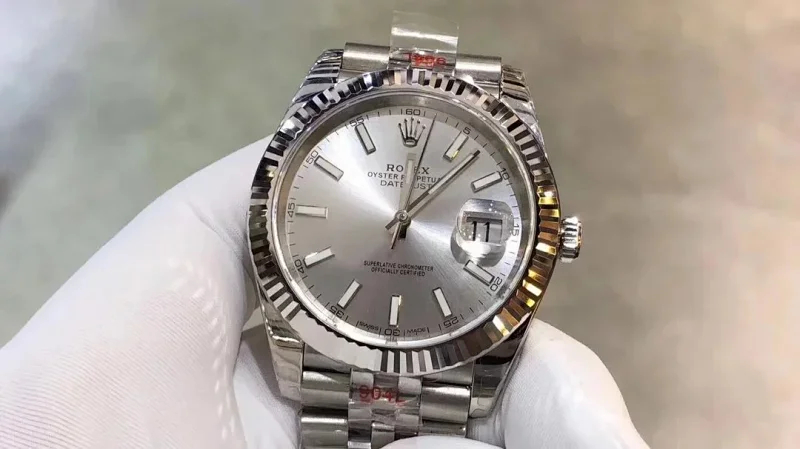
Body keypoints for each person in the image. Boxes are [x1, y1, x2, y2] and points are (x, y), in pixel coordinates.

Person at [0, 137, 649, 449]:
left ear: (554, 239)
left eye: (408, 218)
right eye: (393, 213)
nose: (399, 222)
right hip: (314, 347)